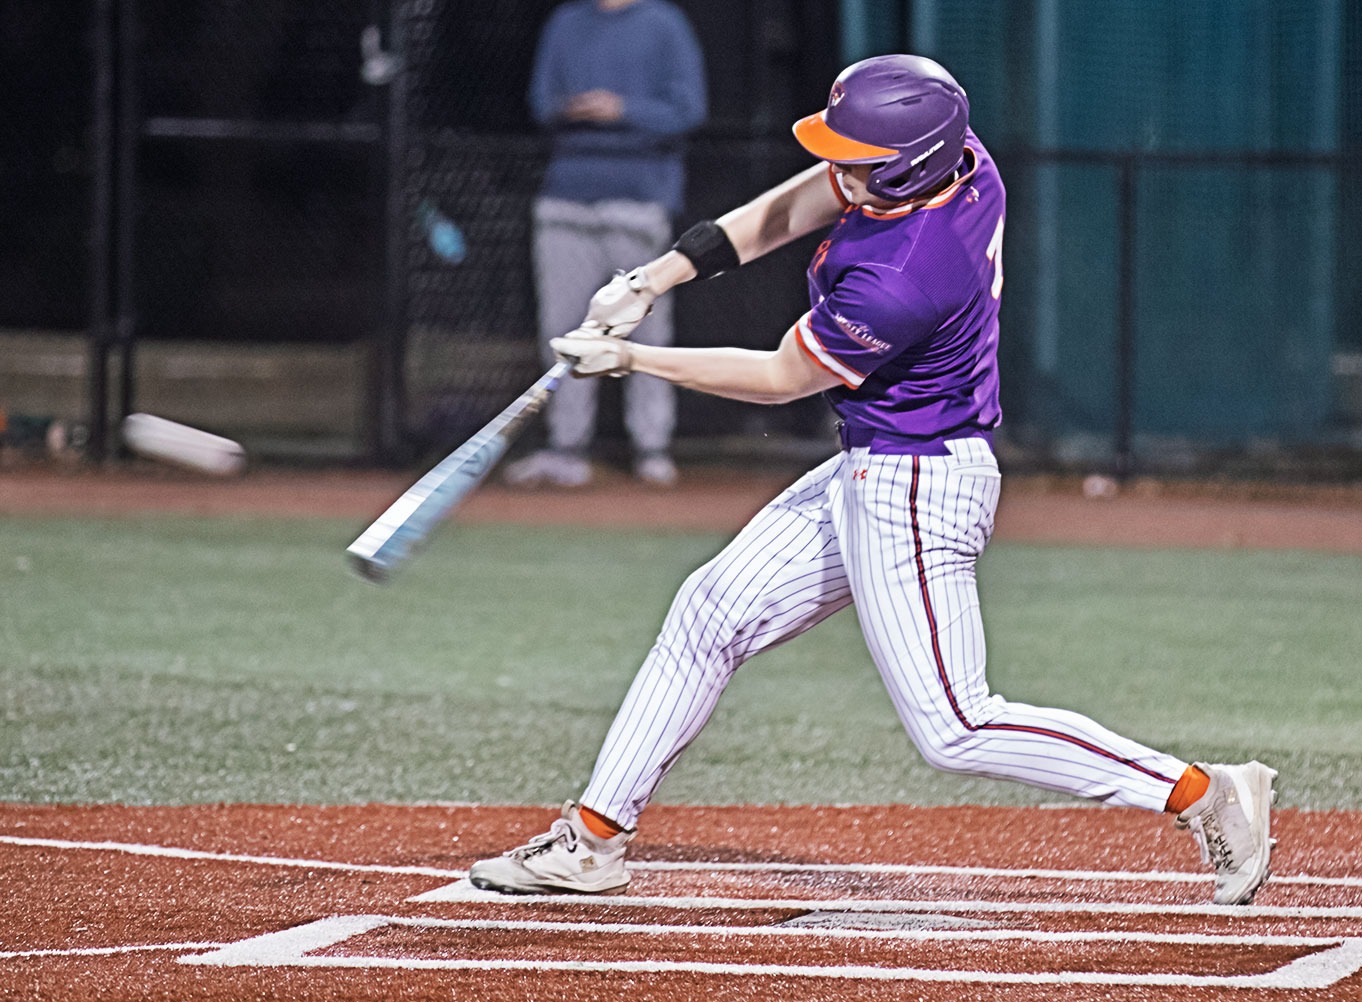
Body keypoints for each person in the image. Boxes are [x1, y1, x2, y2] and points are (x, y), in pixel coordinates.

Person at [469, 55, 1279, 906]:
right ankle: (593, 841)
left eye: (858, 157)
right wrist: (650, 279)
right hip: (872, 467)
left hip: (918, 484)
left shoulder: (908, 273)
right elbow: (788, 207)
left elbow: (783, 376)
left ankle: (1203, 793)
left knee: (956, 728)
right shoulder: (959, 163)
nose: (839, 170)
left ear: (907, 165)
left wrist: (633, 357)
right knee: (710, 612)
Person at [505, 0, 707, 489]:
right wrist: (572, 109)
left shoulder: (664, 23)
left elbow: (689, 110)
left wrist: (623, 109)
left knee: (647, 331)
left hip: (639, 201)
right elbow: (540, 102)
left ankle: (652, 448)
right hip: (566, 195)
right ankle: (566, 449)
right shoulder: (566, 21)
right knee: (563, 331)